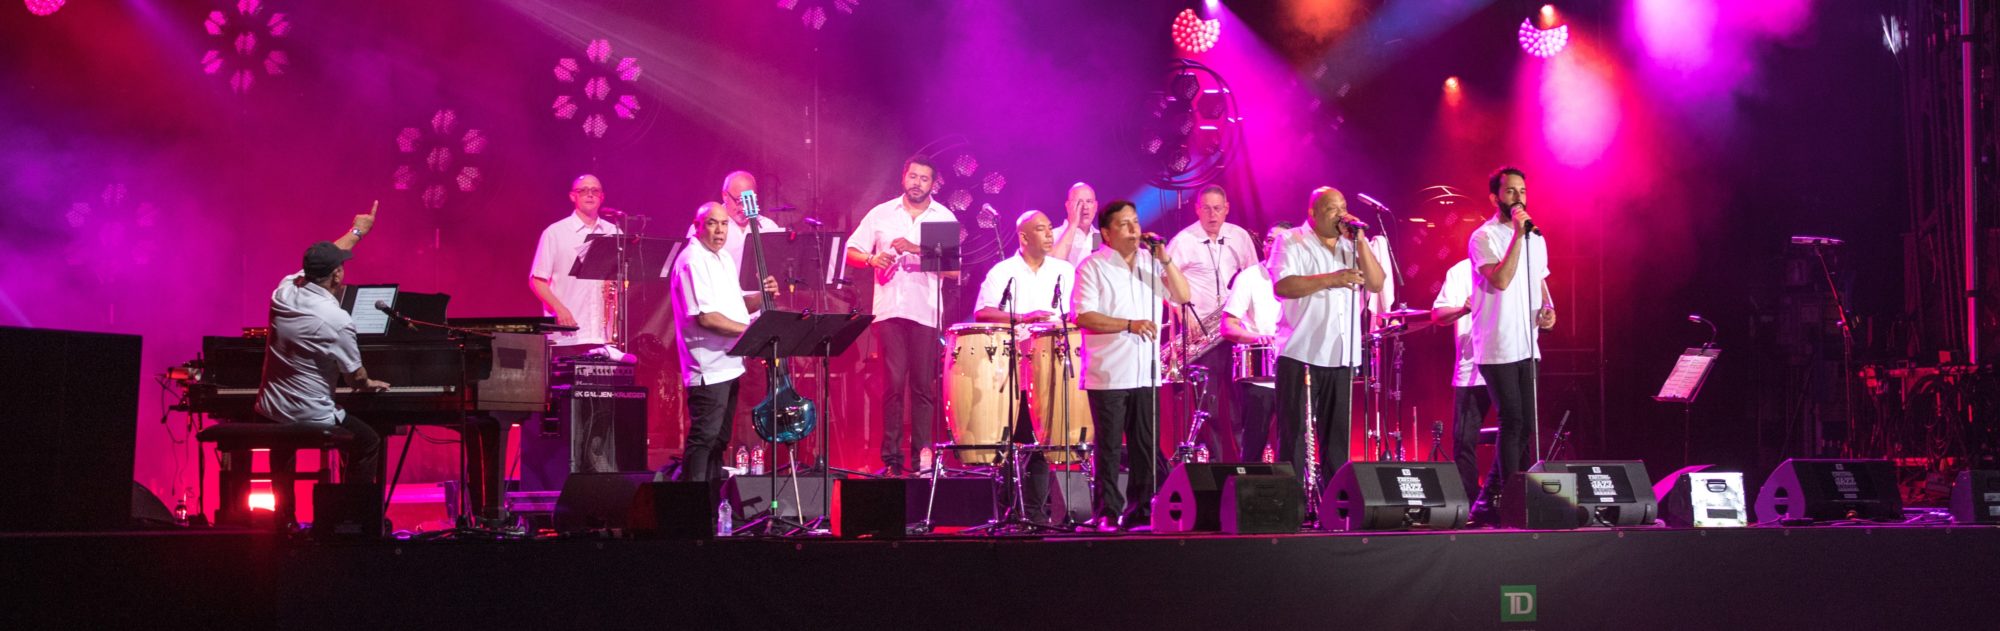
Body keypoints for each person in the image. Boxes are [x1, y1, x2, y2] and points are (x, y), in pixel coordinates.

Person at [1073, 200, 1192, 531]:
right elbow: (1083, 316)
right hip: (1108, 373)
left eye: (1135, 222)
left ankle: (1141, 511)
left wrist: (1165, 258)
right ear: (1107, 233)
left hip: (1146, 372)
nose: (1133, 229)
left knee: (1146, 447)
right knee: (1110, 448)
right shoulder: (1092, 266)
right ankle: (1107, 512)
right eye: (1124, 224)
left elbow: (1183, 296)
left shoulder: (1150, 262)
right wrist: (1129, 324)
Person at [254, 204, 388, 492]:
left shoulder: (284, 289)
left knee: (283, 442)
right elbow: (356, 378)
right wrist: (369, 383)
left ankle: (283, 515)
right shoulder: (337, 319)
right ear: (337, 276)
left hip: (273, 411)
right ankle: (350, 513)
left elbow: (329, 257)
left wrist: (358, 231)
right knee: (368, 442)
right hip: (311, 417)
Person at [844, 156, 959, 476]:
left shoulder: (941, 217)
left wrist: (916, 247)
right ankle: (891, 459)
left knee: (923, 386)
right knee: (893, 384)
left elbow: (952, 270)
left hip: (925, 312)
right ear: (903, 177)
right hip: (890, 310)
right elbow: (851, 252)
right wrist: (871, 259)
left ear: (933, 184)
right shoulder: (881, 213)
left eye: (924, 178)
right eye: (913, 176)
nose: (917, 183)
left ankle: (922, 458)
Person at [1270, 187, 1385, 505]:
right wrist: (1331, 279)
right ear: (1313, 213)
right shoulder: (1290, 240)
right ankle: (1290, 507)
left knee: (1337, 438)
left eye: (1343, 207)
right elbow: (1283, 286)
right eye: (1333, 209)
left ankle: (1336, 505)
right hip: (1300, 352)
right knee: (1294, 435)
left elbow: (1376, 283)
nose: (1341, 214)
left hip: (1341, 354)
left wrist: (1361, 240)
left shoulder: (1351, 245)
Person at [1466, 166, 1557, 523]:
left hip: (1527, 343)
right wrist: (1518, 235)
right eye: (1510, 191)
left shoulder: (1537, 238)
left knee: (1527, 425)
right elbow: (1501, 280)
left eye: (1522, 190)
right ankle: (1508, 497)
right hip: (1497, 343)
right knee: (1512, 420)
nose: (1518, 197)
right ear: (1495, 198)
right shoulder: (1483, 237)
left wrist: (1549, 308)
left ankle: (1491, 498)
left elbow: (1540, 279)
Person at [973, 210, 1076, 522]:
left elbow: (1077, 313)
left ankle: (1036, 513)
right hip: (1014, 367)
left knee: (1043, 438)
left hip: (1053, 366)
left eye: (1050, 228)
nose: (1050, 234)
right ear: (1024, 236)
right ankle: (1011, 510)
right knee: (1016, 437)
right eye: (1041, 229)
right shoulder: (1003, 271)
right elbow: (982, 312)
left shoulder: (1065, 271)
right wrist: (1023, 318)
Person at [672, 203, 779, 482]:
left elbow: (736, 306)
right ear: (697, 226)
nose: (719, 230)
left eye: (724, 224)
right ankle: (691, 501)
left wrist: (763, 295)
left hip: (729, 364)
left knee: (719, 440)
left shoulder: (722, 258)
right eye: (712, 223)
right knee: (704, 439)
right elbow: (706, 317)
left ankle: (710, 500)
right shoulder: (692, 261)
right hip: (708, 369)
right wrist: (752, 333)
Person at [1164, 185, 1259, 461]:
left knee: (1241, 398)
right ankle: (1213, 460)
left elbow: (1254, 277)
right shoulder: (1183, 241)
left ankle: (1247, 460)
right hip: (1201, 331)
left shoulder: (1239, 237)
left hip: (1234, 328)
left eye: (1217, 208)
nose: (1212, 214)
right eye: (1206, 208)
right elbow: (1164, 281)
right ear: (1197, 209)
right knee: (1210, 402)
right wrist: (1183, 312)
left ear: (1227, 208)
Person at [1220, 223, 1290, 463]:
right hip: (1259, 375)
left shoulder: (1302, 277)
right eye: (1269, 240)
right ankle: (1249, 485)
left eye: (1279, 241)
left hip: (1293, 372)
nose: (1272, 245)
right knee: (1253, 444)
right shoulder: (1249, 277)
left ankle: (1293, 485)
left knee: (1293, 443)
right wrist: (1257, 338)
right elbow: (1227, 326)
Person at [529, 174, 621, 357]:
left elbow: (620, 278)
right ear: (573, 196)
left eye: (595, 190)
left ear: (602, 197)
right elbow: (537, 280)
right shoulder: (555, 232)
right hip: (567, 334)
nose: (590, 194)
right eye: (583, 190)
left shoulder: (614, 232)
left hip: (603, 336)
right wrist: (559, 309)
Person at [1430, 258, 1493, 504]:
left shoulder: (1520, 264)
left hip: (1511, 363)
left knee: (1516, 434)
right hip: (1472, 368)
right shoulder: (1460, 271)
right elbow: (1438, 314)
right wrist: (1464, 308)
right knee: (1464, 439)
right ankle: (1471, 502)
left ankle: (1504, 496)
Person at [688, 170, 786, 275]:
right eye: (739, 200)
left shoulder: (768, 226)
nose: (744, 207)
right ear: (725, 195)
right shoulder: (704, 227)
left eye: (749, 200)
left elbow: (779, 268)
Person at [1049, 182, 1102, 269]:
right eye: (1079, 202)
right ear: (1068, 206)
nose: (1085, 207)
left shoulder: (1100, 237)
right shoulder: (1053, 236)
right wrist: (1073, 225)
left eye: (1089, 201)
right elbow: (1053, 267)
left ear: (1096, 206)